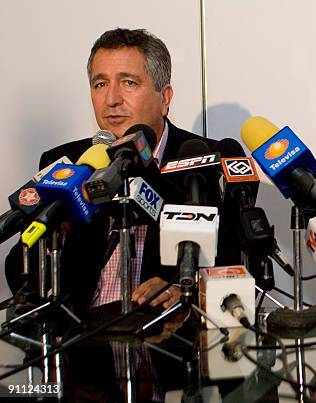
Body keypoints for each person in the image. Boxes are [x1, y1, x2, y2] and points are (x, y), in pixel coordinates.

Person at [5, 28, 241, 316]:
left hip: (170, 342)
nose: (112, 99)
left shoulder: (206, 159)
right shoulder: (68, 162)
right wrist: (54, 236)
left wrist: (187, 291)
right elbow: (20, 272)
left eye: (129, 82)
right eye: (100, 84)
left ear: (165, 98)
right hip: (83, 345)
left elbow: (237, 261)